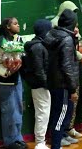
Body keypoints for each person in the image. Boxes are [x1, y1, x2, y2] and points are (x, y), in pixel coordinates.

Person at [0, 17, 27, 149]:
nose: (19, 26)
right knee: (9, 111)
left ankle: (18, 138)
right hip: (5, 82)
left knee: (19, 109)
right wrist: (6, 71)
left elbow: (22, 56)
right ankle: (10, 141)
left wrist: (19, 63)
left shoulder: (19, 40)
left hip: (17, 79)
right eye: (15, 24)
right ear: (7, 27)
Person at [44, 9, 79, 149]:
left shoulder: (51, 34)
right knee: (60, 117)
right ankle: (56, 145)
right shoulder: (66, 39)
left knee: (55, 114)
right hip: (63, 84)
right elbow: (66, 66)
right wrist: (72, 89)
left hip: (52, 81)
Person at [23, 19, 52, 149]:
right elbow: (39, 70)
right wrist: (47, 84)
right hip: (40, 85)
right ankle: (40, 142)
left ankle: (41, 141)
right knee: (42, 114)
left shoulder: (38, 44)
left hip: (39, 84)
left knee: (43, 113)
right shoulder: (38, 47)